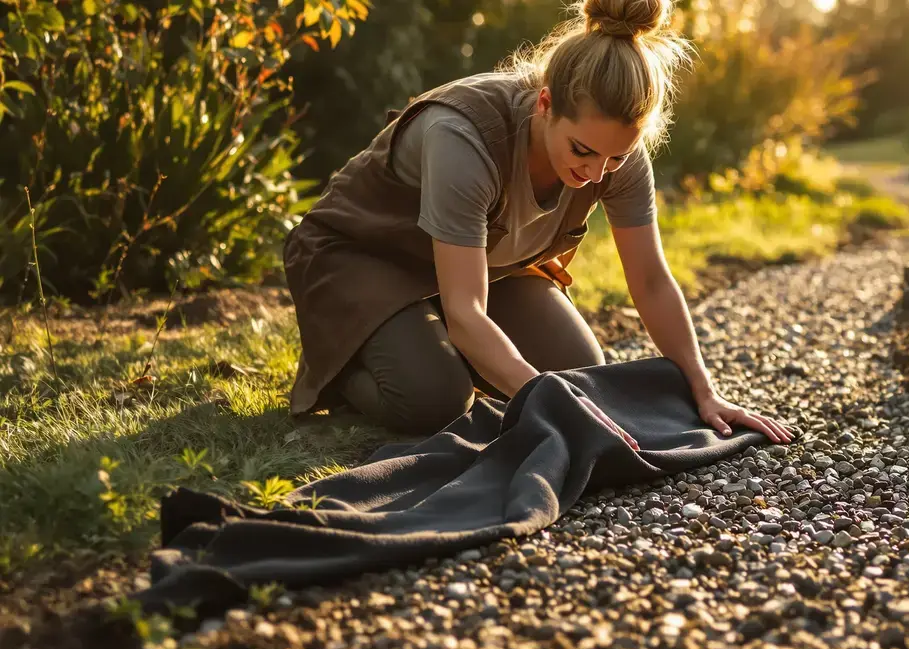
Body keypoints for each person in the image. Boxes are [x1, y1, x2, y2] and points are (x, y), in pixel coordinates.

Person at [282, 0, 795, 449]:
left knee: (579, 373)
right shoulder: (463, 139)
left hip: (481, 265)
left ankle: (428, 346)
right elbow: (467, 311)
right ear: (545, 103)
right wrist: (551, 408)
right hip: (364, 255)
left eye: (615, 158)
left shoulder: (617, 155)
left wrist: (705, 392)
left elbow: (652, 281)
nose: (595, 174)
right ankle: (346, 355)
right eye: (583, 151)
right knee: (436, 400)